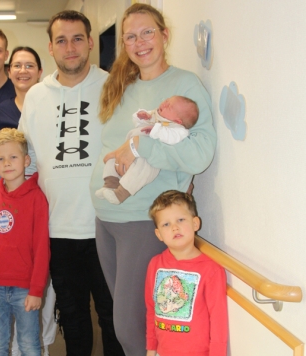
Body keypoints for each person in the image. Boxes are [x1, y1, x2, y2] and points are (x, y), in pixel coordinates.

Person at [89, 4, 216, 356]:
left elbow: (200, 153)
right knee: (137, 324)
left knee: (131, 331)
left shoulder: (184, 85)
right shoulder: (121, 86)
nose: (139, 42)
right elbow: (110, 147)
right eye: (130, 36)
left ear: (164, 35)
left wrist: (141, 146)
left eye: (147, 32)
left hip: (143, 222)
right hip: (106, 220)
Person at [18, 10, 124, 356]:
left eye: (78, 38)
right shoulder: (36, 96)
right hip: (57, 228)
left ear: (91, 42)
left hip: (106, 225)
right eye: (61, 40)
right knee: (74, 318)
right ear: (50, 47)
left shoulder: (113, 86)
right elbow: (26, 157)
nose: (70, 47)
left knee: (112, 317)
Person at [0, 46, 55, 356]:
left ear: (40, 71)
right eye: (17, 65)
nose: (23, 70)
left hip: (37, 194)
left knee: (34, 324)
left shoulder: (49, 103)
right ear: (9, 70)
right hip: (9, 199)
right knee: (0, 335)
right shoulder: (2, 110)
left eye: (30, 65)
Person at [0, 128, 50, 356]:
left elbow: (42, 249)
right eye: (0, 159)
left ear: (26, 161)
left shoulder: (37, 199)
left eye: (13, 157)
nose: (7, 163)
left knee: (29, 344)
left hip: (24, 287)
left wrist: (36, 290)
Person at [146, 190, 228, 356]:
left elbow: (218, 322)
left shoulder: (211, 269)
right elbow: (151, 309)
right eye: (166, 224)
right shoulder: (155, 264)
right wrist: (151, 349)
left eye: (181, 220)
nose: (175, 227)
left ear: (195, 223)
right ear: (159, 234)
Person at [95, 96, 199, 204]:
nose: (164, 104)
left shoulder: (178, 129)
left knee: (140, 172)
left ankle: (120, 194)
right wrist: (141, 117)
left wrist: (156, 129)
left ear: (178, 120)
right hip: (129, 150)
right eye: (167, 101)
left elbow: (172, 138)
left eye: (170, 107)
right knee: (112, 160)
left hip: (148, 159)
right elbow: (138, 123)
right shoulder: (155, 115)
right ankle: (109, 184)